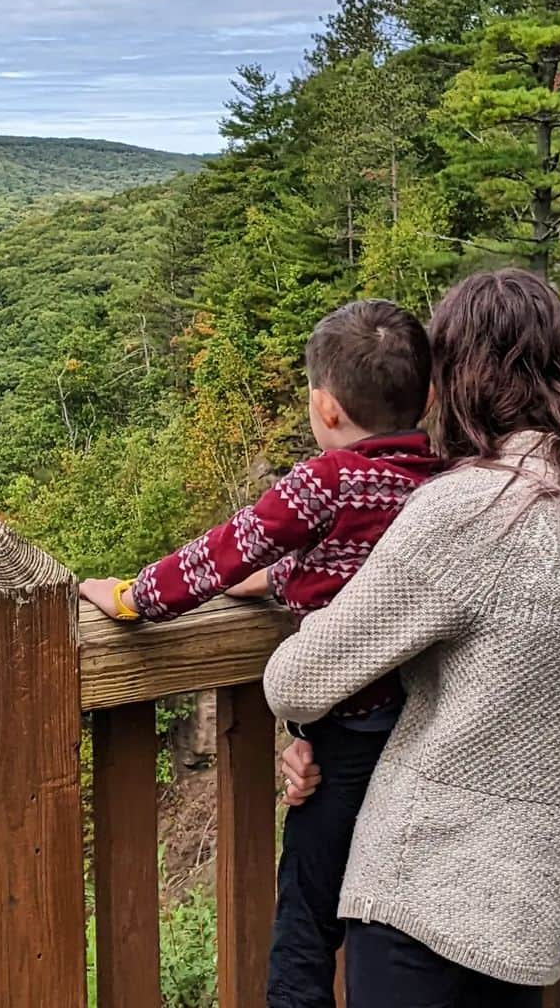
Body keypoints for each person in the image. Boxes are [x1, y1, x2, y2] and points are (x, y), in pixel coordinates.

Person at [266, 268, 560, 1008]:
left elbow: (297, 679)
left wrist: (315, 732)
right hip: (533, 899)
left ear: (458, 377)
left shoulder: (466, 512)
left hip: (419, 891)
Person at [79, 298, 442, 1007]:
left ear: (324, 407)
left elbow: (220, 554)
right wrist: (283, 579)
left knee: (307, 922)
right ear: (427, 398)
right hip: (421, 724)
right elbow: (366, 570)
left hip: (346, 736)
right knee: (391, 912)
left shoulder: (329, 480)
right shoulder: (440, 481)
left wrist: (128, 598)